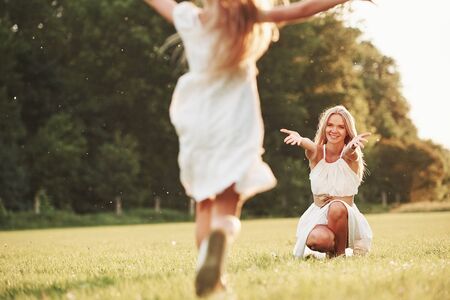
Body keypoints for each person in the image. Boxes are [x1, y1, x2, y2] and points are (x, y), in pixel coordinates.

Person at [143, 0, 368, 296]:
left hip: (196, 122)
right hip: (236, 125)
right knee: (226, 205)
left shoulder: (192, 19)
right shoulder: (248, 20)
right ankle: (223, 235)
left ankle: (208, 270)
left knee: (204, 203)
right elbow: (301, 9)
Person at [281, 105, 373, 259]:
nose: (334, 130)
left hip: (346, 216)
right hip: (319, 214)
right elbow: (311, 146)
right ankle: (332, 251)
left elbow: (348, 153)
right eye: (330, 125)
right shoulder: (317, 153)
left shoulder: (351, 156)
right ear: (324, 127)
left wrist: (351, 147)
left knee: (336, 207)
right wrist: (301, 140)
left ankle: (339, 255)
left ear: (347, 131)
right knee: (318, 240)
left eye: (341, 127)